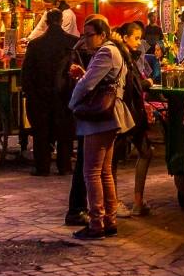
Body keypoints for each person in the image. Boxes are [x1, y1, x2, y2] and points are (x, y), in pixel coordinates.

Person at [68, 18, 129, 241]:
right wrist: (84, 72)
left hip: (100, 117)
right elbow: (98, 79)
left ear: (103, 34)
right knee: (104, 172)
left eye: (89, 34)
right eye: (83, 35)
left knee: (91, 171)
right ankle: (109, 220)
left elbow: (88, 84)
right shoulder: (112, 52)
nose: (85, 39)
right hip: (109, 116)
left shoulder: (105, 52)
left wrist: (72, 104)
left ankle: (96, 223)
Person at [22, 15, 79, 179]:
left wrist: (29, 92)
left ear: (46, 22)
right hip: (65, 95)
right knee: (65, 132)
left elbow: (27, 72)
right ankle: (65, 166)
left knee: (41, 132)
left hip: (41, 95)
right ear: (61, 21)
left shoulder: (35, 44)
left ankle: (42, 167)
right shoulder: (72, 42)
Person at [114, 22, 157, 218]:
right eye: (136, 38)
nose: (139, 42)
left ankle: (137, 201)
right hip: (125, 112)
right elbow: (130, 85)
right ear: (125, 37)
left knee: (145, 152)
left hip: (132, 112)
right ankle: (116, 201)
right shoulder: (119, 55)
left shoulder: (129, 55)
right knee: (114, 158)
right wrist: (147, 83)